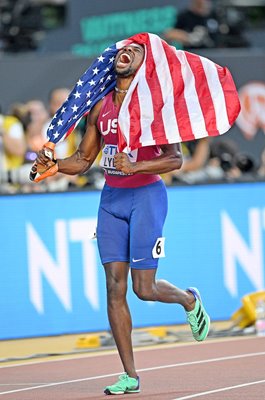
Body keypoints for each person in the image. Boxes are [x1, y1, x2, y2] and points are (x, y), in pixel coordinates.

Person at [33, 42, 211, 395]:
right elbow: (84, 159)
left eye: (135, 50)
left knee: (143, 289)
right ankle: (130, 375)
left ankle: (189, 300)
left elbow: (175, 159)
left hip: (146, 196)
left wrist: (138, 165)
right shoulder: (100, 105)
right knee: (114, 289)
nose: (125, 52)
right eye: (120, 51)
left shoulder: (155, 107)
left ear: (144, 64)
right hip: (112, 199)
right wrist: (53, 166)